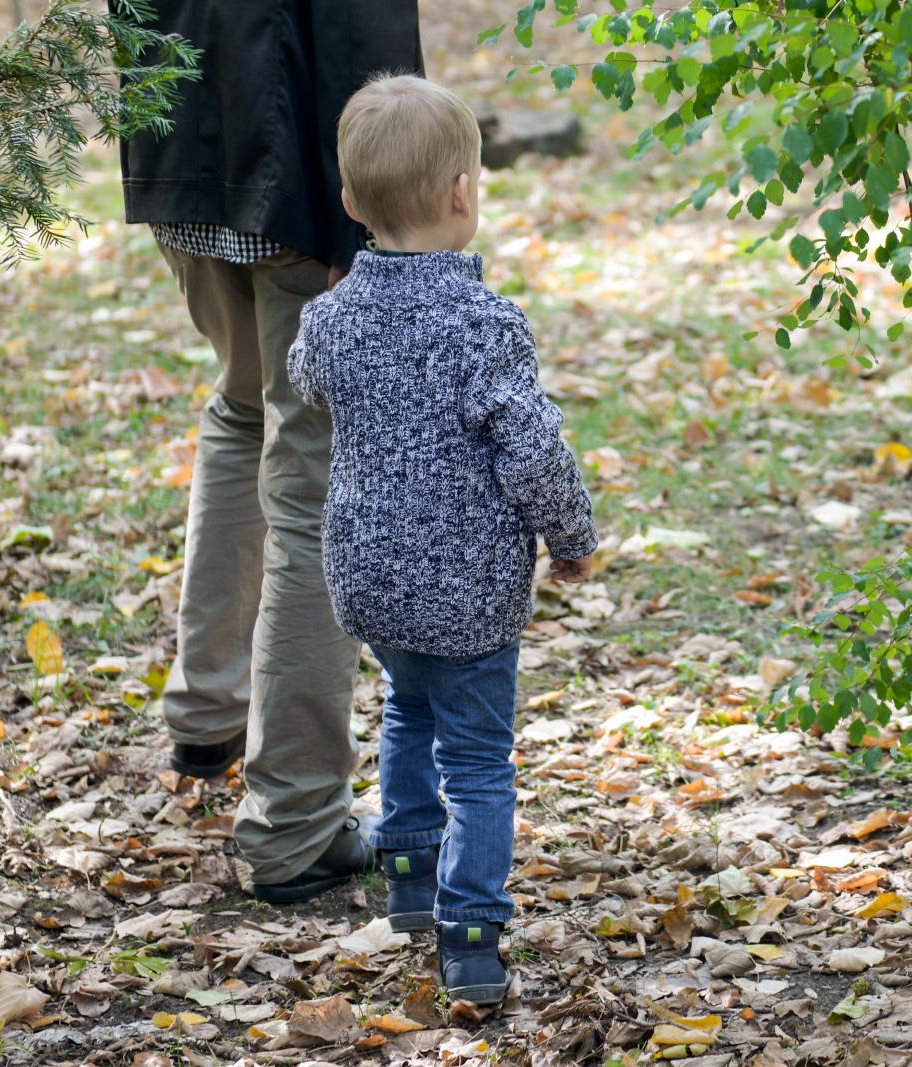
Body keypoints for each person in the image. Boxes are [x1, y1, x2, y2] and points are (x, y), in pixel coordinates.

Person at [288, 76, 597, 1006]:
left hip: (368, 579)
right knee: (474, 757)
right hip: (467, 589)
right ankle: (470, 934)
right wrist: (571, 536)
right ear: (464, 193)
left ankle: (411, 882)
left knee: (408, 714)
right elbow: (533, 448)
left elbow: (307, 382)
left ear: (350, 204)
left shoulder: (330, 318)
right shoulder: (484, 323)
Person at [115, 2, 423, 904]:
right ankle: (294, 819)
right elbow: (360, 25)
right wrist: (364, 218)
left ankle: (208, 711)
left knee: (242, 408)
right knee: (310, 478)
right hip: (293, 183)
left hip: (185, 156)